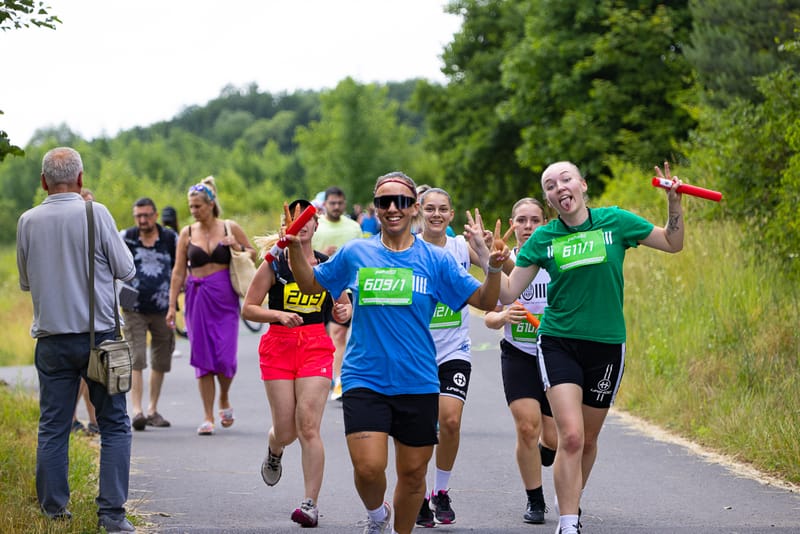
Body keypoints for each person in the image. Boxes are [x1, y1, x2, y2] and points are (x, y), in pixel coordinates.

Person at [286, 171, 509, 534]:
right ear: (375, 207)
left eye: (401, 201)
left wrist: (493, 268)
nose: (393, 208)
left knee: (413, 474)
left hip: (418, 380)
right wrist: (296, 247)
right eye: (384, 202)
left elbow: (484, 300)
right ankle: (377, 515)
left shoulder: (435, 260)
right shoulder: (356, 252)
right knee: (368, 468)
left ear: (413, 208)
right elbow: (310, 283)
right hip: (365, 376)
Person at [498, 161, 685, 534]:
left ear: (582, 185)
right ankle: (569, 523)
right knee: (570, 435)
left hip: (606, 345)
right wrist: (489, 264)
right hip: (558, 342)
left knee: (588, 440)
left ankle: (570, 496)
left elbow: (671, 242)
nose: (559, 187)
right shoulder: (543, 238)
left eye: (565, 179)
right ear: (549, 199)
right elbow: (507, 292)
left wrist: (674, 203)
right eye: (550, 185)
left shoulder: (615, 222)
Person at [17, 147, 136, 532]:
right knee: (114, 424)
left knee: (53, 427)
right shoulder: (95, 213)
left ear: (43, 182)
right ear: (80, 179)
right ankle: (112, 516)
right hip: (99, 338)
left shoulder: (27, 221)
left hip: (51, 340)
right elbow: (126, 269)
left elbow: (25, 282)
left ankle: (54, 512)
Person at [242, 199, 352, 528]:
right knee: (286, 431)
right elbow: (249, 308)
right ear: (285, 225)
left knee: (308, 427)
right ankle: (275, 449)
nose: (301, 224)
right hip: (278, 346)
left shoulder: (327, 265)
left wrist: (342, 310)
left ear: (316, 226)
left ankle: (310, 504)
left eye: (307, 219)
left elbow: (343, 306)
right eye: (294, 218)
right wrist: (277, 315)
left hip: (316, 345)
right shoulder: (274, 263)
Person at [414, 187, 492, 527]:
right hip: (416, 351)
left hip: (453, 349)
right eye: (429, 208)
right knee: (419, 428)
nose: (436, 214)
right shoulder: (408, 247)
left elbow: (499, 275)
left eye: (442, 209)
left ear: (451, 214)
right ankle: (416, 493)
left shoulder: (461, 247)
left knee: (450, 421)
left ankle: (440, 491)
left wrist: (486, 252)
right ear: (418, 211)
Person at [484, 197, 558, 525]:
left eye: (535, 220)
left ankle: (544, 450)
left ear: (545, 223)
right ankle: (535, 500)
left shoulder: (556, 260)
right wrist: (503, 318)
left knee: (553, 439)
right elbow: (489, 316)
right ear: (513, 225)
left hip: (555, 354)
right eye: (522, 221)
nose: (528, 227)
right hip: (519, 355)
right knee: (527, 427)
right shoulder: (503, 260)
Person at [166, 176, 256, 436]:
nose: (194, 211)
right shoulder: (186, 233)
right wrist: (171, 306)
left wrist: (236, 245)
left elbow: (252, 253)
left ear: (211, 204)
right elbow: (178, 272)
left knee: (226, 356)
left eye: (198, 206)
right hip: (197, 298)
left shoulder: (229, 227)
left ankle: (224, 397)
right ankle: (207, 415)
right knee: (203, 358)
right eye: (191, 206)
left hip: (224, 297)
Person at [121, 197, 178, 431]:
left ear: (155, 215)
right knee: (136, 357)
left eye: (146, 215)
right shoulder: (126, 237)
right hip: (132, 306)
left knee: (161, 358)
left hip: (163, 306)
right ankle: (137, 411)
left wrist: (176, 299)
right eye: (138, 216)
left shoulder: (170, 238)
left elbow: (180, 266)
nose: (142, 220)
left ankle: (153, 409)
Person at [311, 186, 363, 401]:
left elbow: (361, 257)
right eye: (332, 203)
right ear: (325, 204)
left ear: (345, 204)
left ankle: (339, 381)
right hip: (317, 287)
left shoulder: (354, 228)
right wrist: (324, 255)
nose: (336, 206)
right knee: (322, 336)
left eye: (340, 203)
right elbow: (305, 256)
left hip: (345, 289)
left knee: (339, 334)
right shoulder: (317, 226)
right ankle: (325, 375)